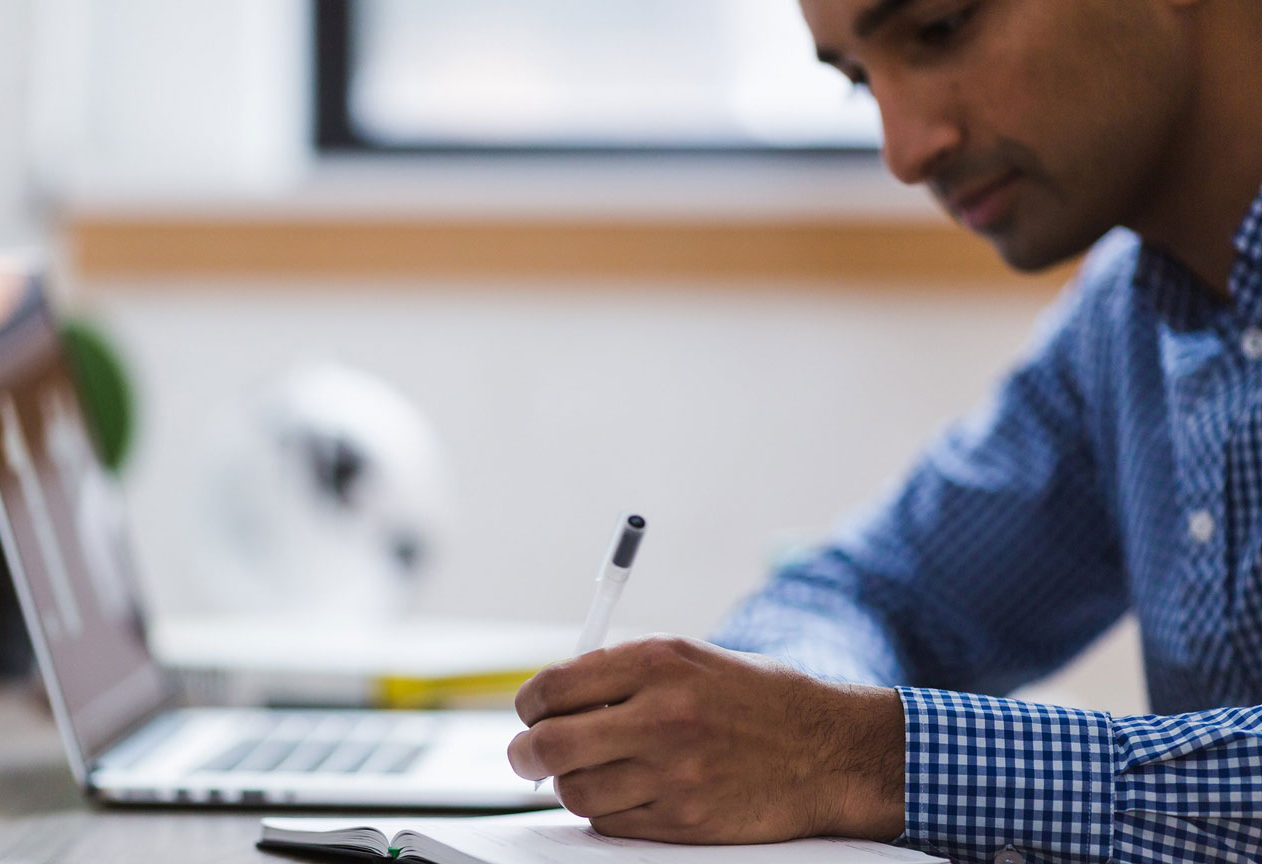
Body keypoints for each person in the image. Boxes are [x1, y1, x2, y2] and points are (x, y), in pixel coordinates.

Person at [505, 2, 1262, 862]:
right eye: (860, 81)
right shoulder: (1127, 320)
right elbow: (869, 593)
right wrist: (777, 722)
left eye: (940, 29)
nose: (905, 154)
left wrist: (865, 757)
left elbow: (852, 740)